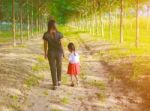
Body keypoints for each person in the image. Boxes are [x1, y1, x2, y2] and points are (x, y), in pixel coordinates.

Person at [43, 20, 64, 90]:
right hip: (59, 52)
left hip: (51, 52)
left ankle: (55, 84)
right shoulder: (59, 34)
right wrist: (63, 53)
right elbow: (62, 44)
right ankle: (59, 81)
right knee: (59, 66)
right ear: (55, 25)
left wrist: (45, 53)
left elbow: (45, 45)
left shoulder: (46, 34)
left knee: (53, 68)